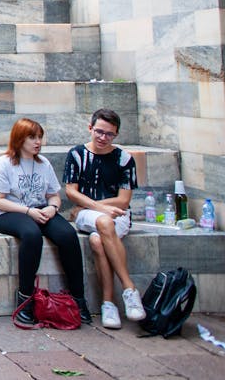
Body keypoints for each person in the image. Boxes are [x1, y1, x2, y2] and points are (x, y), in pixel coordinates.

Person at [0, 118, 91, 326]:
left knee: (67, 235)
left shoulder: (43, 164)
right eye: (32, 137)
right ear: (19, 139)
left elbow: (54, 195)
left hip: (41, 211)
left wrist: (52, 208)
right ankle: (25, 299)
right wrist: (28, 211)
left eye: (40, 137)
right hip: (7, 213)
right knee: (32, 235)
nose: (38, 142)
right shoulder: (4, 163)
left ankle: (78, 299)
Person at [63, 108, 145, 330]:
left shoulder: (124, 158)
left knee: (97, 241)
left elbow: (124, 200)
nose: (103, 137)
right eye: (99, 131)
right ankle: (129, 289)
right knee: (103, 221)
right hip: (89, 215)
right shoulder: (77, 154)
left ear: (116, 135)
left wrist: (88, 205)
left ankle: (108, 303)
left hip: (114, 214)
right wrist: (97, 208)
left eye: (109, 134)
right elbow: (71, 191)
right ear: (90, 128)